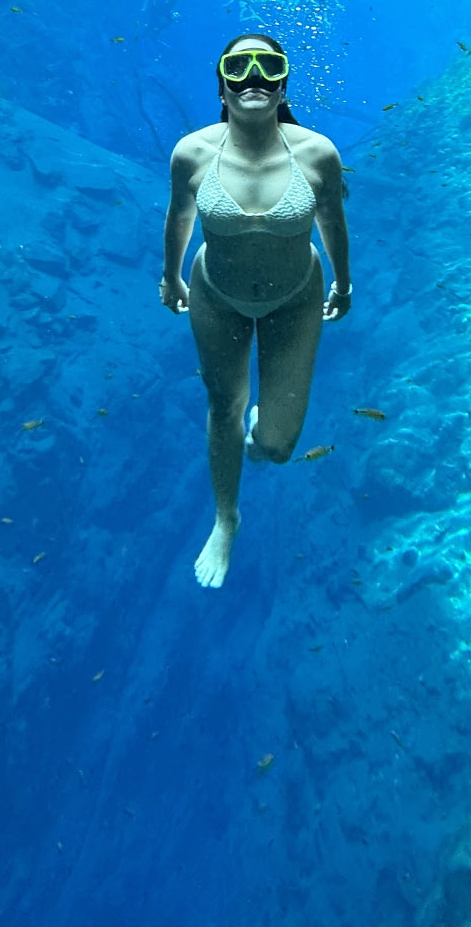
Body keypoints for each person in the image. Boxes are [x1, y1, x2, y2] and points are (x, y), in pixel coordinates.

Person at [160, 34, 352, 588]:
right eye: (237, 67)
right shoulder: (191, 152)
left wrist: (343, 283)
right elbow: (179, 216)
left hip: (295, 299)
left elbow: (332, 221)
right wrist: (171, 275)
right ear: (221, 87)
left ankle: (256, 439)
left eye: (267, 66)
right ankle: (227, 520)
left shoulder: (318, 153)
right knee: (224, 404)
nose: (253, 78)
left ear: (283, 85)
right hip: (217, 295)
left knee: (277, 446)